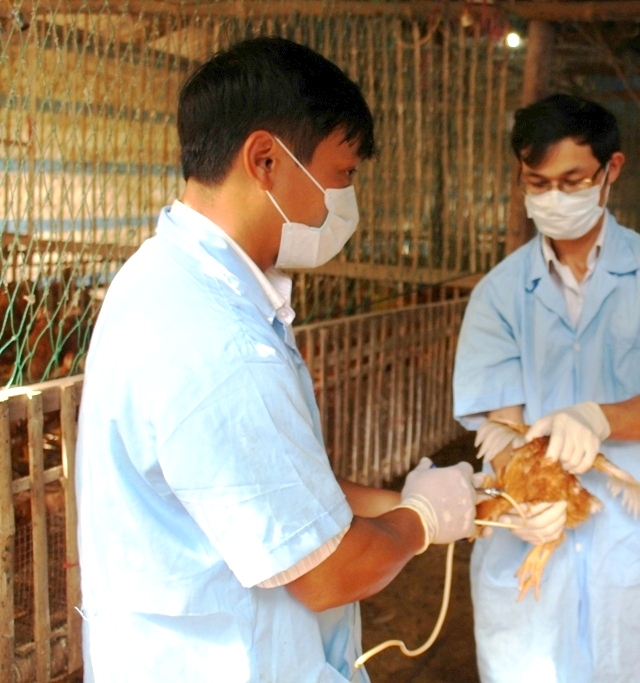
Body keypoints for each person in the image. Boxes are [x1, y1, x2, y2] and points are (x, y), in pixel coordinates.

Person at [75, 37, 477, 682]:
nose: (344, 203)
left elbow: (277, 489)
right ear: (265, 158)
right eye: (341, 176)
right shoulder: (220, 340)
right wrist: (421, 521)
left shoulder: (163, 281)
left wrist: (406, 497)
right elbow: (327, 574)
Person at [453, 93, 640, 683]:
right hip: (529, 556)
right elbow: (501, 428)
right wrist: (524, 499)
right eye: (539, 181)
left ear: (612, 171)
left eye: (573, 180)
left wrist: (598, 418)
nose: (554, 197)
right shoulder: (499, 296)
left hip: (626, 558)